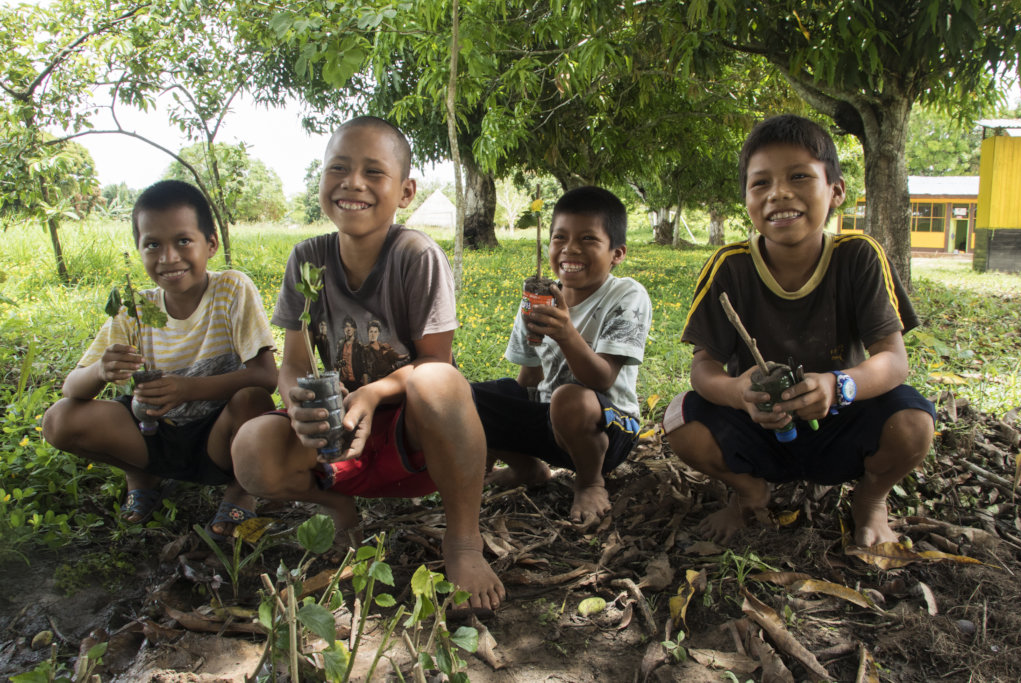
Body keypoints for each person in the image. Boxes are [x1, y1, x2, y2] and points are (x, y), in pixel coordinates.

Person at [230, 116, 505, 611]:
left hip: (414, 438)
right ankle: (339, 506)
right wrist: (296, 404)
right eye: (338, 167)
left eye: (373, 172)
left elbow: (435, 363)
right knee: (252, 449)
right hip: (338, 436)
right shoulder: (307, 260)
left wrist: (375, 392)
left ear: (405, 192)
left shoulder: (416, 255)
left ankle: (463, 540)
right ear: (321, 179)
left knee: (441, 382)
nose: (352, 182)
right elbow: (292, 363)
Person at [663, 114, 935, 547]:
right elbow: (703, 368)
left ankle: (870, 499)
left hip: (841, 419)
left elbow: (893, 359)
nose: (779, 194)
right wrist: (739, 393)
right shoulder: (728, 267)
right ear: (746, 198)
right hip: (758, 425)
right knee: (680, 420)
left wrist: (838, 386)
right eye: (760, 183)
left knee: (913, 423)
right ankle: (750, 492)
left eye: (799, 176)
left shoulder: (859, 257)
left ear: (837, 191)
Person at [42, 180, 277, 538]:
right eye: (153, 244)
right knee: (59, 419)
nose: (168, 257)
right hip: (150, 432)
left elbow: (265, 376)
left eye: (183, 241)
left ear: (210, 244)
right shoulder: (134, 307)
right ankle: (141, 474)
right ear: (138, 250)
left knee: (253, 401)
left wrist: (188, 389)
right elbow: (71, 386)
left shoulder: (231, 289)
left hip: (219, 436)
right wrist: (101, 370)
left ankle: (241, 491)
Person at [472, 186, 652, 527]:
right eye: (560, 237)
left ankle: (590, 482)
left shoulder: (627, 295)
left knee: (568, 398)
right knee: (470, 397)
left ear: (617, 253)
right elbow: (529, 379)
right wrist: (496, 428)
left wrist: (567, 333)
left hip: (607, 430)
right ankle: (528, 468)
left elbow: (602, 378)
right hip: (551, 421)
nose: (570, 248)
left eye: (587, 239)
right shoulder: (538, 298)